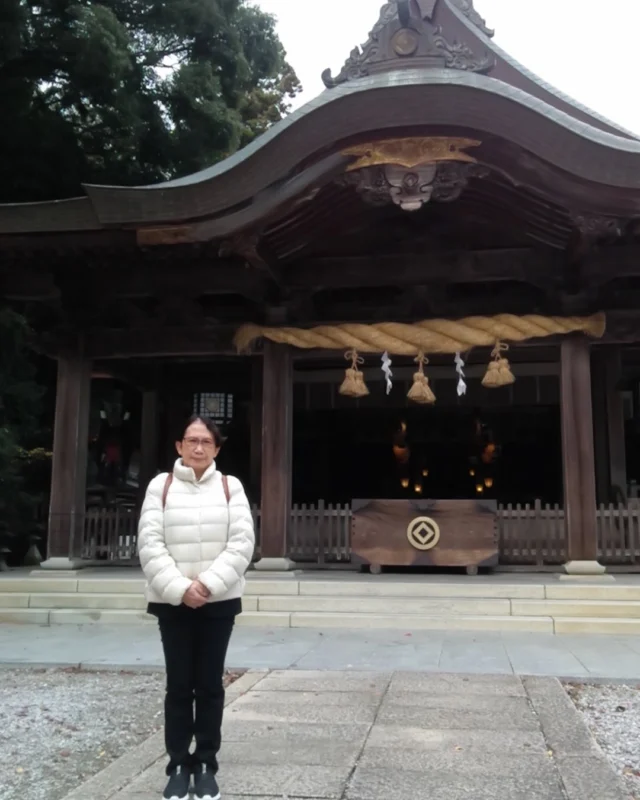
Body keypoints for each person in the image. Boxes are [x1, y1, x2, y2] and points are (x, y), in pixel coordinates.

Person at [138, 415, 255, 800]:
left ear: (217, 449)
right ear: (179, 446)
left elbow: (241, 542)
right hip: (173, 602)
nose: (199, 448)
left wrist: (205, 584)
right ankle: (177, 765)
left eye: (206, 442)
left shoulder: (229, 486)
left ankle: (206, 762)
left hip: (217, 601)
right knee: (178, 685)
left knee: (208, 685)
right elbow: (150, 543)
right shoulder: (161, 486)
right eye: (192, 440)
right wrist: (180, 588)